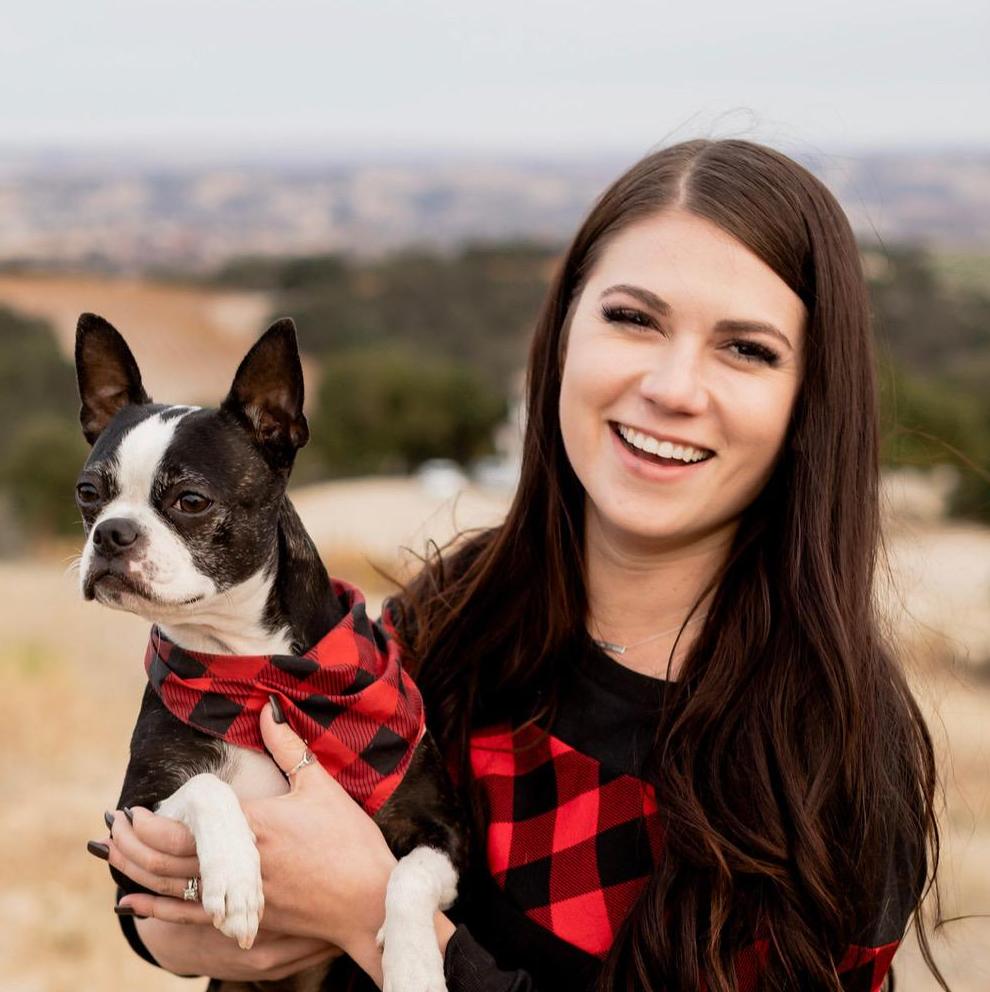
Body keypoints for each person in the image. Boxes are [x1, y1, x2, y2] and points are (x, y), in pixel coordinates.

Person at [92, 139, 945, 991]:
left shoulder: (835, 756)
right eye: (634, 319)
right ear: (561, 336)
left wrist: (367, 916)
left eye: (747, 349)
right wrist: (177, 922)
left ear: (810, 400)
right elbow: (190, 883)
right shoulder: (442, 622)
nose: (674, 387)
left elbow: (348, 893)